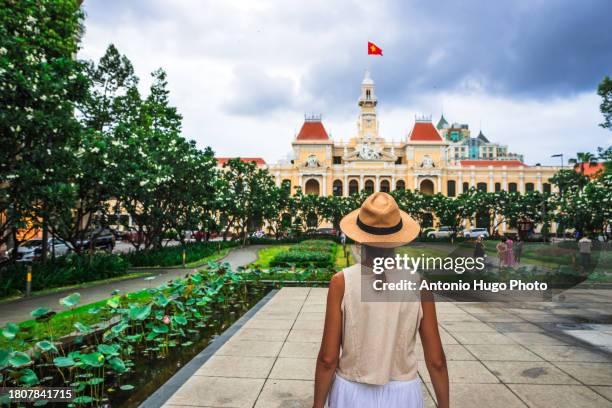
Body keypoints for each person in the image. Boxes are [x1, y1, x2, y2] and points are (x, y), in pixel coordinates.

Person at [313, 192, 449, 408]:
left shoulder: (342, 282)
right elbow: (437, 361)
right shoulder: (419, 284)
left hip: (352, 391)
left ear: (360, 237)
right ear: (398, 238)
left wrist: (317, 405)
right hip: (403, 394)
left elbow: (328, 359)